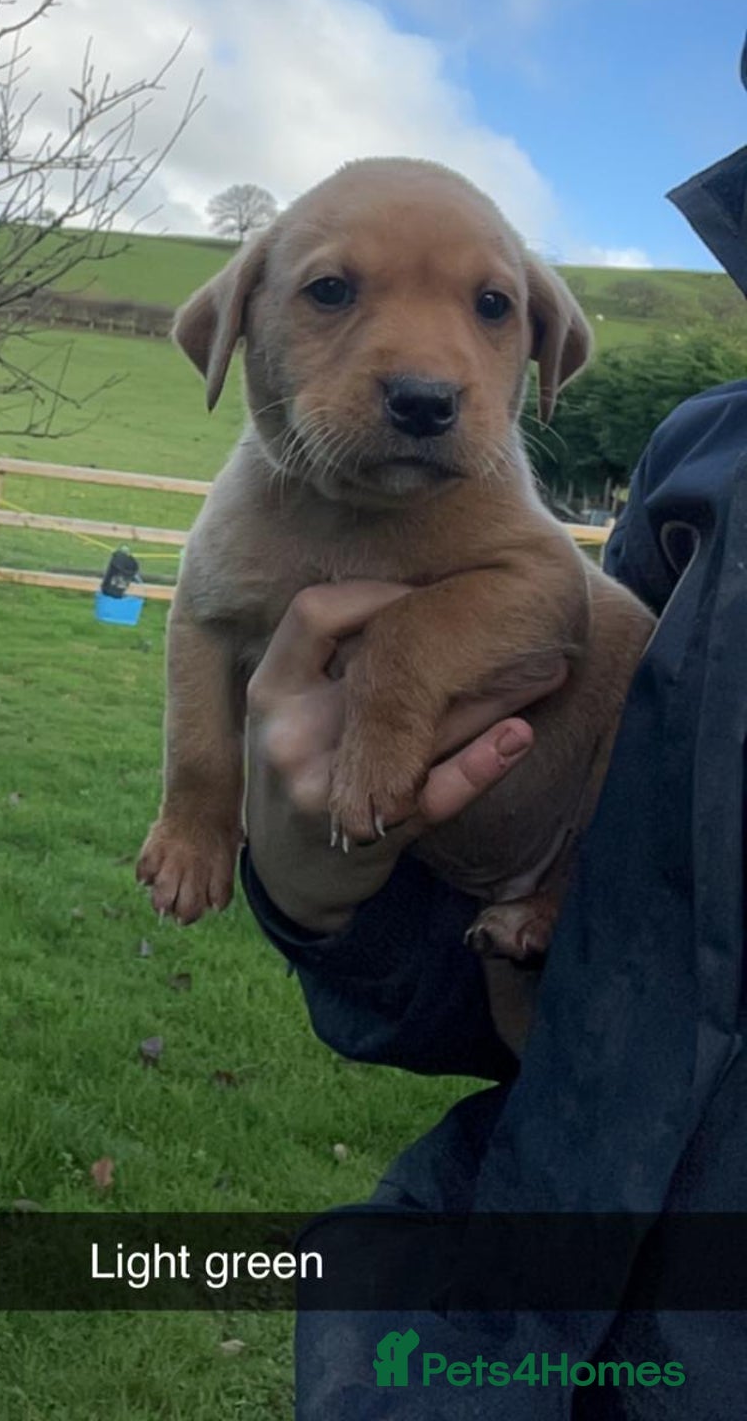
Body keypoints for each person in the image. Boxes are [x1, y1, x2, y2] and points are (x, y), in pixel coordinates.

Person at [242, 132, 747, 1416]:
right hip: (493, 1326)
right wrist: (318, 899)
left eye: (489, 309)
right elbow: (597, 971)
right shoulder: (706, 466)